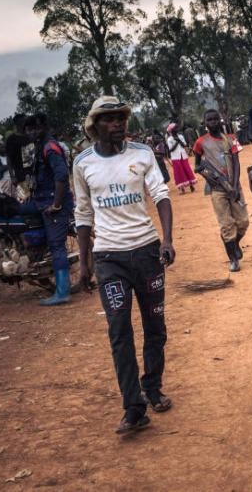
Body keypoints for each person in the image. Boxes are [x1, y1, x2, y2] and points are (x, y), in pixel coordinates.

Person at [73, 97, 175, 434]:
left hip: (146, 252)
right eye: (109, 119)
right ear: (95, 126)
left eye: (121, 118)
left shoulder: (143, 154)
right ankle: (133, 407)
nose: (117, 123)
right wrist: (85, 264)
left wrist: (167, 240)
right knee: (119, 332)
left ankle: (153, 387)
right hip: (109, 258)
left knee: (154, 326)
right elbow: (83, 214)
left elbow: (160, 195)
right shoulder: (83, 163)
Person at [18, 113, 74, 306]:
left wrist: (56, 205)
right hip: (41, 200)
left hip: (53, 203)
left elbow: (61, 176)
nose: (30, 133)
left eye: (33, 129)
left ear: (42, 128)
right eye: (28, 129)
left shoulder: (49, 147)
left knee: (56, 245)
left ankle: (63, 292)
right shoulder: (39, 147)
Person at [192, 109, 249, 272]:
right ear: (205, 123)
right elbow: (197, 166)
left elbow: (236, 162)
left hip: (234, 186)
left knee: (243, 222)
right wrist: (209, 178)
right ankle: (233, 259)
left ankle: (233, 243)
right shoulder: (200, 142)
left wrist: (234, 184)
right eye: (209, 120)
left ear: (221, 120)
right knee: (226, 225)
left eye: (215, 119)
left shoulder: (231, 138)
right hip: (216, 188)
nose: (213, 122)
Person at [167, 124, 196, 193]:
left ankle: (191, 185)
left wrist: (179, 140)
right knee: (179, 172)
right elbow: (171, 149)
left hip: (183, 156)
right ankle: (182, 188)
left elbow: (184, 145)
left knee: (187, 170)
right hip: (175, 157)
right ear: (172, 130)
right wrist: (177, 142)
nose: (177, 129)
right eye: (175, 128)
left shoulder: (181, 136)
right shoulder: (169, 139)